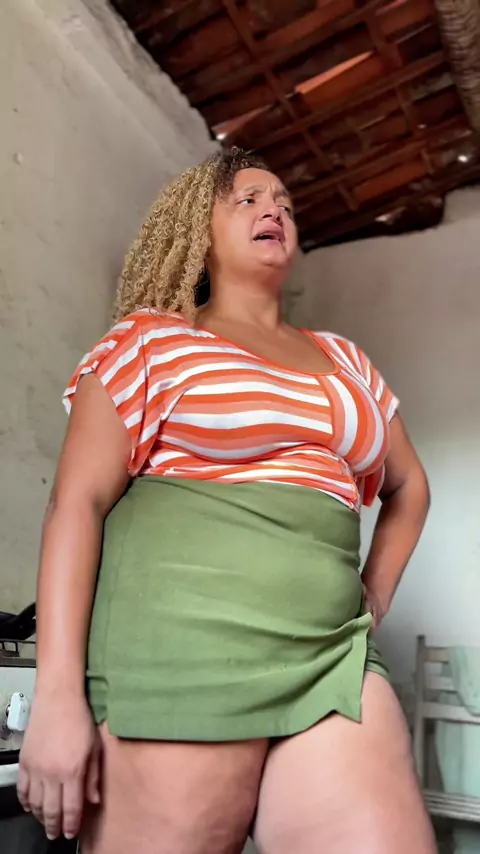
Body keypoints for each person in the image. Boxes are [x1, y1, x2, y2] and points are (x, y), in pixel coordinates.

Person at [17, 148, 436, 854]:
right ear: (197, 231)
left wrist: (376, 592)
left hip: (330, 653)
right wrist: (56, 699)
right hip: (178, 654)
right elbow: (75, 507)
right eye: (247, 198)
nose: (275, 208)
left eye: (285, 203)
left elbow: (409, 486)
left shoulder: (347, 361)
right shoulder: (149, 341)